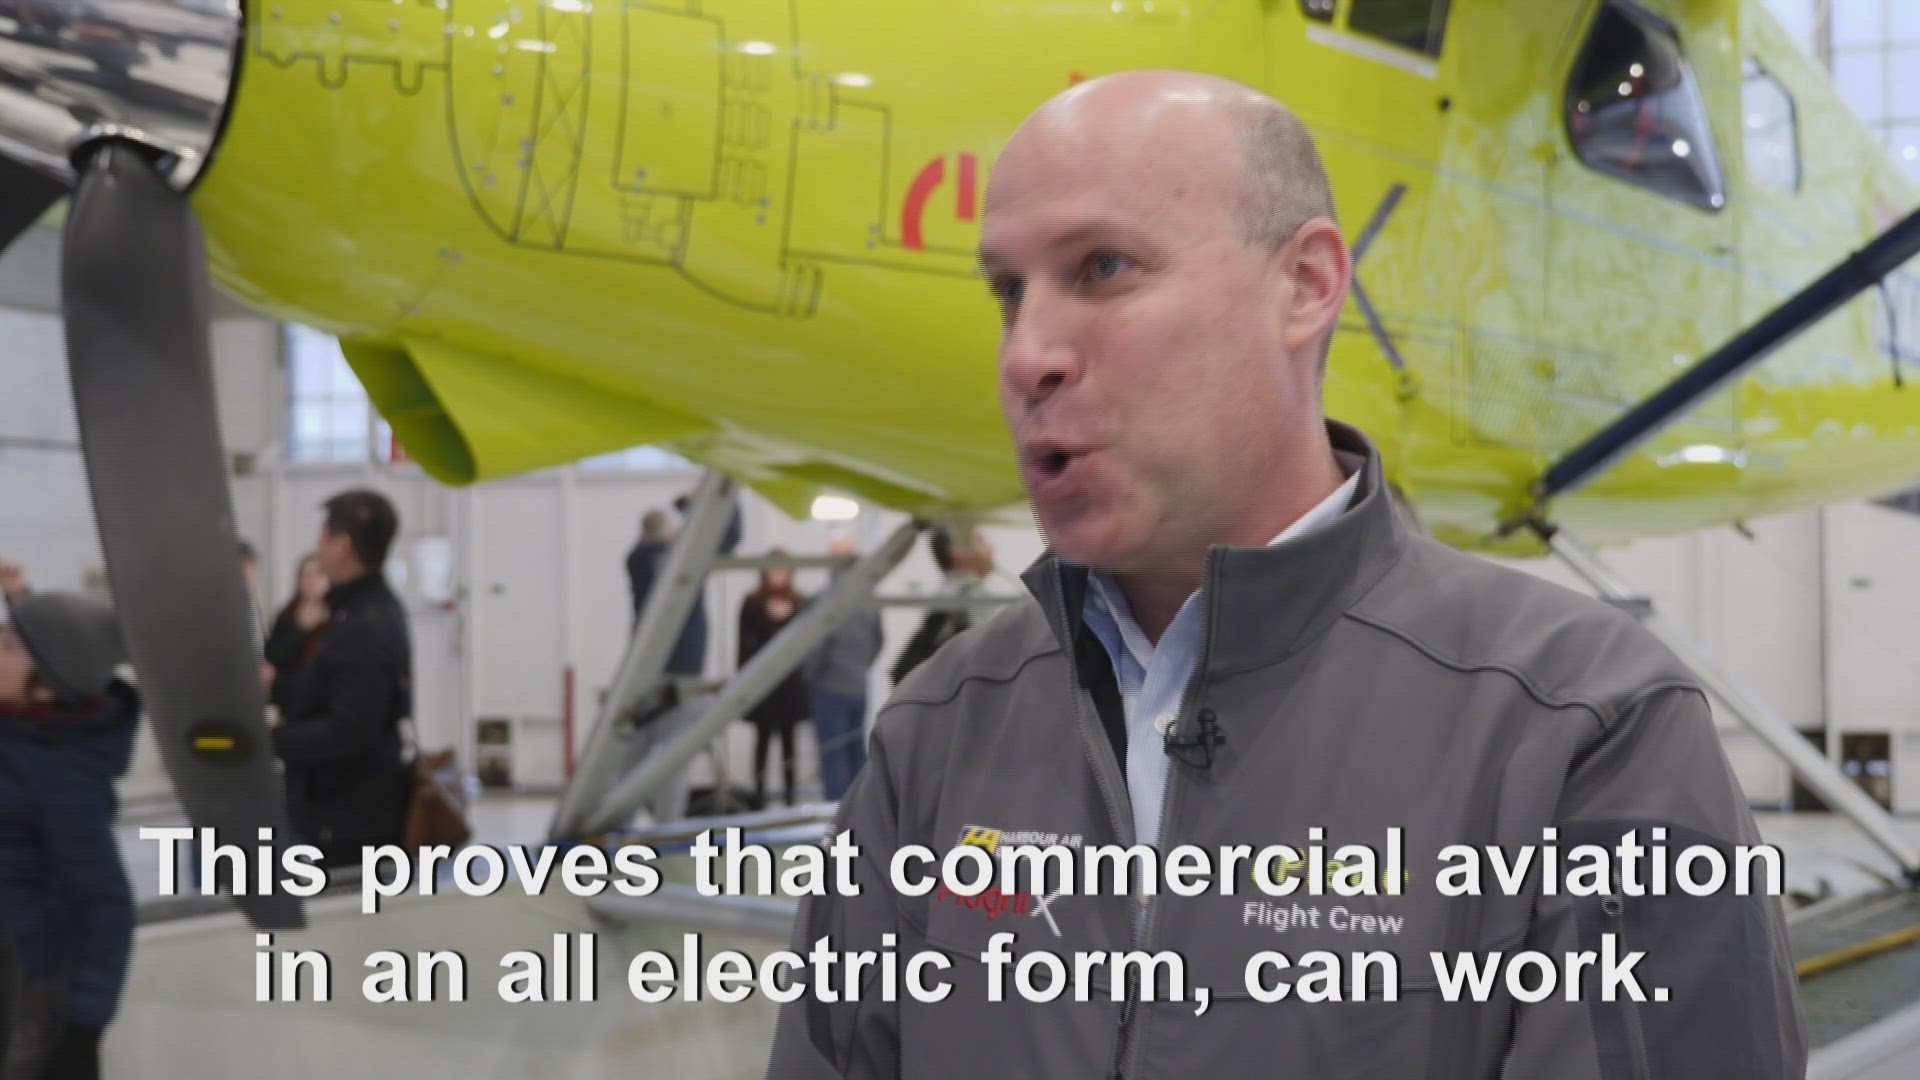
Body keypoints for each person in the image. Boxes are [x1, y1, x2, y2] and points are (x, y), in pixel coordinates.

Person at [766, 71, 1804, 1078]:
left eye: (1103, 269)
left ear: (1304, 285)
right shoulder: (938, 729)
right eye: (1008, 291)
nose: (1025, 355)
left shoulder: (1581, 728)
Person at [0, 580, 138, 1080]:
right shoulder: (17, 728)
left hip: (24, 993)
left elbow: (108, 905)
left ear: (46, 683)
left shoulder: (61, 772)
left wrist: (83, 1029)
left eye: (8, 645)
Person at [270, 490, 413, 867]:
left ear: (343, 547)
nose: (317, 547)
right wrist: (276, 687)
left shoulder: (364, 623)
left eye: (323, 535)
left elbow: (350, 730)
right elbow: (330, 691)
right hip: (340, 814)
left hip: (350, 823)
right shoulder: (354, 611)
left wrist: (270, 740)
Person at [626, 494, 743, 677]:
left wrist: (683, 504)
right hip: (685, 647)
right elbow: (731, 535)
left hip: (646, 644)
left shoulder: (636, 560)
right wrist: (728, 498)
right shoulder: (686, 561)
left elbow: (651, 532)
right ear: (673, 534)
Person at [801, 535, 882, 801]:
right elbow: (878, 640)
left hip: (829, 686)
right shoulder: (868, 598)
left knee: (832, 753)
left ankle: (835, 812)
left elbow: (816, 646)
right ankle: (864, 808)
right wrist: (861, 667)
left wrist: (812, 676)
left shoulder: (826, 598)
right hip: (858, 685)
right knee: (856, 751)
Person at [737, 550, 809, 808]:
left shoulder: (800, 603)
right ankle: (758, 794)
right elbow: (744, 646)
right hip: (762, 682)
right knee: (763, 737)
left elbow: (805, 645)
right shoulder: (752, 604)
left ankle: (790, 794)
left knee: (789, 740)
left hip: (790, 683)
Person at [888, 525, 994, 687]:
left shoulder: (955, 596)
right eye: (981, 541)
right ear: (957, 551)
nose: (991, 548)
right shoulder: (961, 600)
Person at [260, 554, 330, 720]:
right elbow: (272, 657)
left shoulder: (340, 615)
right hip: (289, 701)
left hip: (324, 703)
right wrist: (300, 630)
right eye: (306, 575)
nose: (312, 581)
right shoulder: (286, 615)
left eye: (318, 573)